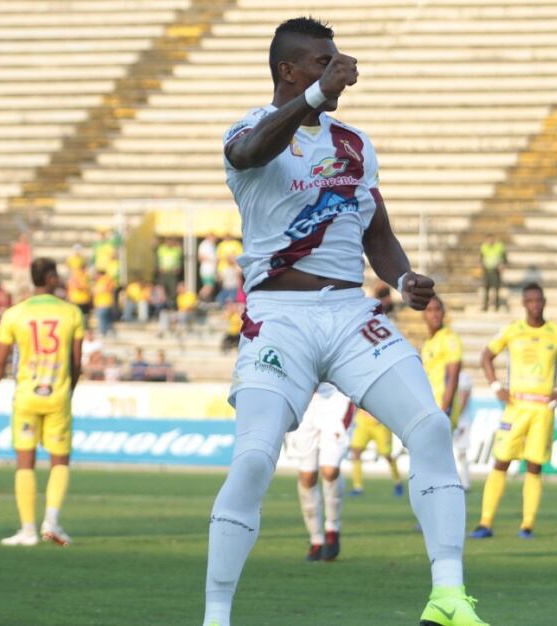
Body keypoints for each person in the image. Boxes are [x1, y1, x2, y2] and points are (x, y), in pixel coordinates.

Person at [203, 17, 486, 626]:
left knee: (433, 430)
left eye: (336, 60)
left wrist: (404, 277)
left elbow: (377, 234)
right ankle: (217, 616)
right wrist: (312, 98)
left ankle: (449, 598)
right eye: (321, 61)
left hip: (351, 313)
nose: (336, 69)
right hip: (279, 318)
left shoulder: (354, 143)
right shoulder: (249, 131)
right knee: (254, 457)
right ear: (289, 70)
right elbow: (252, 153)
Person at [0, 258, 84, 547]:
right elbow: (76, 361)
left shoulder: (15, 314)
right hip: (57, 395)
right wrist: (70, 390)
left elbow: (0, 361)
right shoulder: (71, 313)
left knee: (24, 463)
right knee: (59, 461)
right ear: (50, 278)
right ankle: (51, 522)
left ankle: (27, 530)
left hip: (26, 396)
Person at [473, 283, 557, 539]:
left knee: (534, 466)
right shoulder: (512, 331)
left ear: (544, 302)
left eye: (539, 300)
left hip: (542, 408)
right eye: (530, 301)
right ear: (524, 304)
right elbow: (486, 357)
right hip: (516, 406)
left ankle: (527, 525)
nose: (535, 304)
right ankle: (485, 522)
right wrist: (496, 386)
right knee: (501, 460)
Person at [284, 383, 353, 561]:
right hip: (302, 398)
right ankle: (316, 539)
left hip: (335, 396)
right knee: (307, 476)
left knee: (329, 471)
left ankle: (332, 529)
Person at [421, 296, 466, 485]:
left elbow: (452, 377)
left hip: (441, 409)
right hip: (429, 407)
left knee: (438, 462)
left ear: (444, 312)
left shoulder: (450, 339)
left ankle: (447, 500)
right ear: (423, 314)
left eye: (438, 309)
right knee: (430, 461)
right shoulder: (429, 342)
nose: (434, 314)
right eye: (430, 310)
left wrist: (444, 409)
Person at [347, 408, 402, 496]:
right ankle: (357, 487)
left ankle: (398, 482)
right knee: (356, 451)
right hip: (363, 420)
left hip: (380, 423)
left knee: (387, 455)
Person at [452, 370, 473, 490]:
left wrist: (456, 416)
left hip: (461, 421)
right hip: (450, 419)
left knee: (461, 453)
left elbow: (463, 398)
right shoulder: (441, 374)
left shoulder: (463, 377)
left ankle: (465, 483)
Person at [479, 234, 506, 312]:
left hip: (495, 270)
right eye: (488, 240)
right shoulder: (484, 247)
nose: (490, 241)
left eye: (491, 239)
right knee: (486, 289)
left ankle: (497, 306)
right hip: (487, 270)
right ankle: (485, 306)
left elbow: (504, 257)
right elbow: (481, 258)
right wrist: (481, 265)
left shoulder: (499, 246)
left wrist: (502, 265)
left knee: (496, 289)